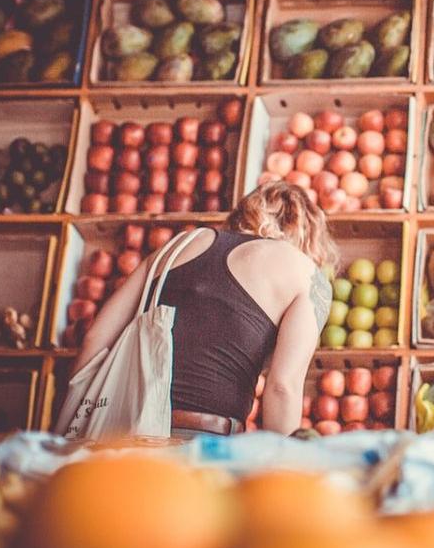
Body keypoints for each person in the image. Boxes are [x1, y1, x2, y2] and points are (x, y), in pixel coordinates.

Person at [70, 182, 336, 437]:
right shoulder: (306, 273)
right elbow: (282, 387)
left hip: (121, 430)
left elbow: (95, 339)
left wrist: (75, 424)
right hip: (202, 441)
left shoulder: (177, 245)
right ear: (308, 236)